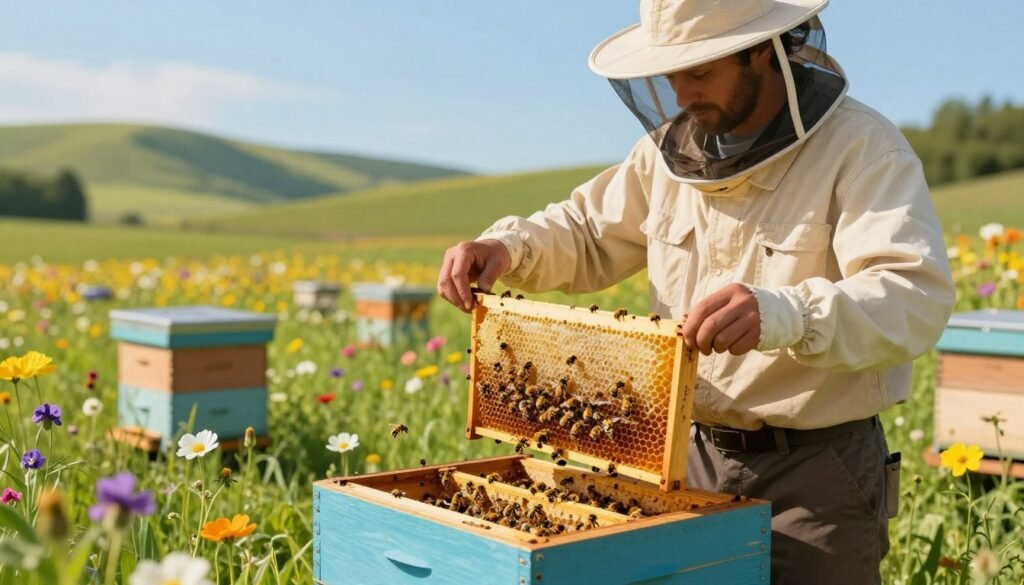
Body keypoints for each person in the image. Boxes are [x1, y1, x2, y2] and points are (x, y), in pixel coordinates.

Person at [436, 0, 955, 583]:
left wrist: (786, 313)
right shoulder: (668, 155)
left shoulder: (863, 149)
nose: (681, 94)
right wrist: (510, 247)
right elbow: (586, 230)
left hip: (816, 471)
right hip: (683, 457)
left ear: (762, 50)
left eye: (700, 71)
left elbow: (912, 296)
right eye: (670, 74)